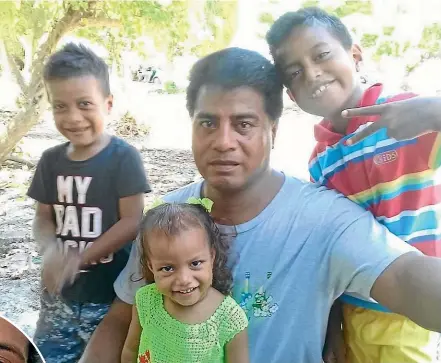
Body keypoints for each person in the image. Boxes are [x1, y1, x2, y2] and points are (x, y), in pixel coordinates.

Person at [80, 47, 441, 363]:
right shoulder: (166, 217)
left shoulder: (325, 221)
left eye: (243, 124)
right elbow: (122, 317)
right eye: (208, 122)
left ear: (273, 131)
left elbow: (407, 277)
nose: (223, 142)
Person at [266, 7, 441, 363]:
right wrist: (332, 328)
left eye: (321, 55)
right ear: (291, 95)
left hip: (407, 311)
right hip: (353, 308)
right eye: (295, 72)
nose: (312, 74)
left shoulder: (410, 115)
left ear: (355, 55)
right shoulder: (321, 160)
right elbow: (329, 244)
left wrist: (434, 110)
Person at [27, 42, 150, 363]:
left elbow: (132, 221)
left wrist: (78, 259)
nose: (74, 117)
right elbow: (42, 218)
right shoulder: (50, 161)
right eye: (60, 106)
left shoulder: (123, 158)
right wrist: (52, 250)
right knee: (46, 356)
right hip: (58, 298)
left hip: (108, 298)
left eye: (85, 104)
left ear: (107, 105)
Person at [121, 201, 249, 363]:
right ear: (151, 266)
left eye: (195, 264)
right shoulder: (146, 301)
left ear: (212, 256)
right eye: (168, 268)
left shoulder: (230, 319)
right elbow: (131, 349)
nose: (184, 279)